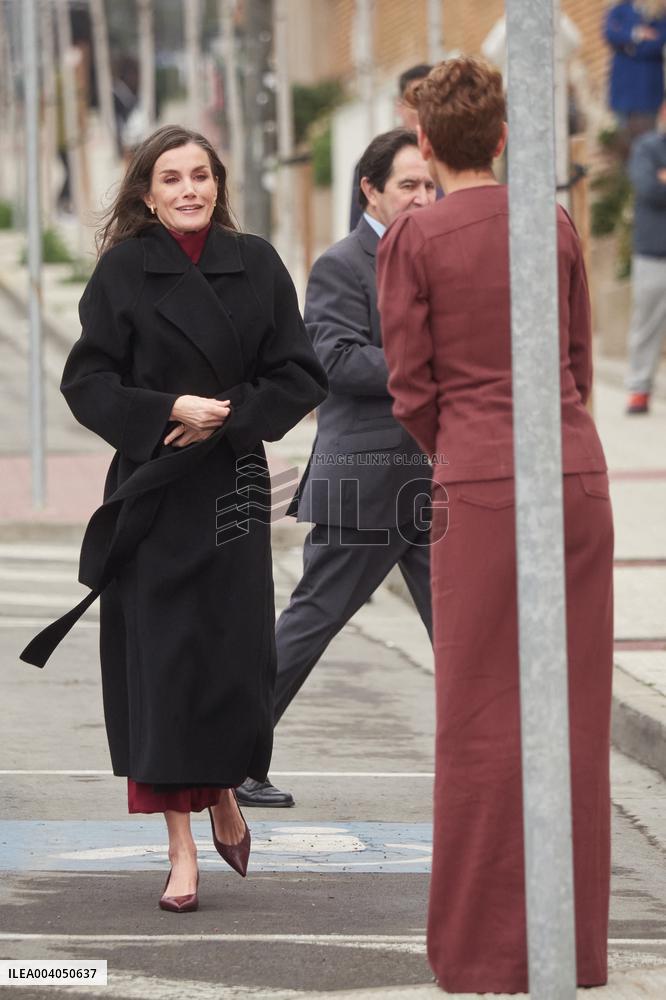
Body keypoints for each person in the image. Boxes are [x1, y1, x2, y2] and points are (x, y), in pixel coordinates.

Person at [20, 125, 328, 911]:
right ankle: (181, 850)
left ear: (218, 185)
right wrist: (167, 409)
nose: (189, 189)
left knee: (229, 661)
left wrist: (226, 416)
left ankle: (222, 791)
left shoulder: (256, 263)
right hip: (154, 489)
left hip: (232, 487)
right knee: (160, 669)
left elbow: (299, 375)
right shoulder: (124, 271)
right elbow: (88, 381)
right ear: (148, 194)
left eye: (200, 175)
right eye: (172, 177)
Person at [377, 58, 613, 993]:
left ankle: (484, 954)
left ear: (425, 141)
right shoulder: (552, 224)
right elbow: (579, 360)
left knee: (477, 716)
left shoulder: (414, 236)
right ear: (505, 137)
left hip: (479, 479)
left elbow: (410, 386)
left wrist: (466, 449)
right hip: (574, 473)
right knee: (574, 717)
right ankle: (572, 947)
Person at [236, 128, 436, 808]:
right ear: (371, 190)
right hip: (366, 480)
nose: (422, 196)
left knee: (468, 633)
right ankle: (231, 758)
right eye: (408, 185)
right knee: (311, 622)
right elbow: (338, 360)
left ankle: (502, 773)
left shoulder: (436, 257)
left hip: (436, 481)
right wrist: (435, 366)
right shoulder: (342, 265)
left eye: (429, 184)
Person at [349, 64, 432, 231]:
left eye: (433, 101)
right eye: (416, 101)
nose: (425, 109)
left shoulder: (450, 161)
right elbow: (360, 231)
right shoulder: (377, 160)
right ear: (399, 106)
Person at [625, 93, 666, 413]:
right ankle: (639, 389)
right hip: (653, 253)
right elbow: (649, 188)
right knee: (647, 324)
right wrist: (658, 182)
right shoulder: (646, 148)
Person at [604, 1, 666, 150]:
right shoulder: (619, 9)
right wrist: (637, 33)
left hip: (646, 93)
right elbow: (610, 33)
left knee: (645, 145)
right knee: (624, 145)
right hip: (622, 91)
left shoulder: (659, 13)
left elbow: (656, 44)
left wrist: (627, 47)